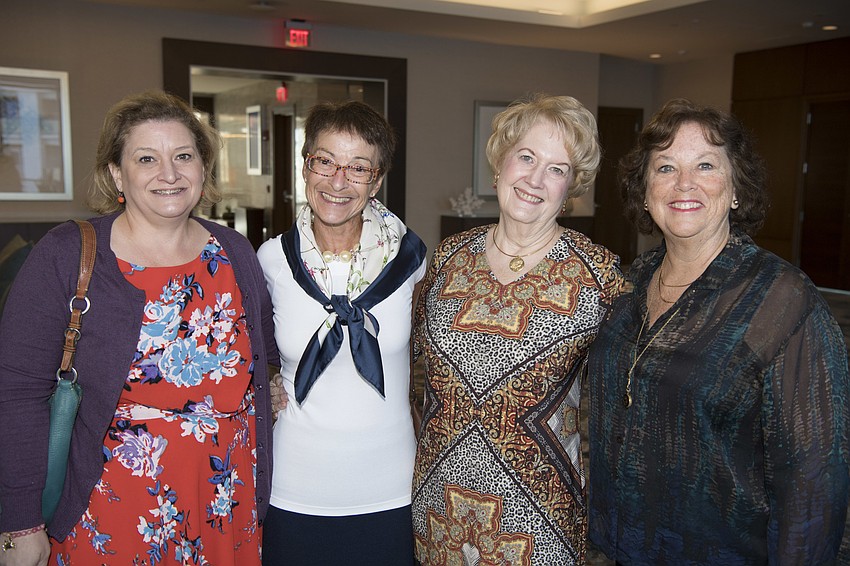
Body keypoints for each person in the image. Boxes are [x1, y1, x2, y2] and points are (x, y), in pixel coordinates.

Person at [0, 90, 278, 565]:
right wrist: (19, 524)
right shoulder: (67, 255)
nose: (169, 174)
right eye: (147, 158)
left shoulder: (234, 252)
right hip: (111, 515)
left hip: (225, 506)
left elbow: (264, 357)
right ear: (116, 174)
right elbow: (16, 394)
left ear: (203, 169)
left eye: (183, 156)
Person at [587, 98, 850, 564]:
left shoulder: (783, 300)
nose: (684, 183)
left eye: (705, 165)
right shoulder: (628, 286)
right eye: (665, 167)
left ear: (735, 190)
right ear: (645, 191)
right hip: (626, 548)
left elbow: (814, 477)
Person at [411, 93, 625, 565]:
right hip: (437, 508)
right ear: (500, 163)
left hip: (539, 519)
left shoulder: (598, 276)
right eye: (526, 157)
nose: (535, 178)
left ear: (571, 187)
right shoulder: (449, 256)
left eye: (557, 168)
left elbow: (633, 399)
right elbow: (407, 366)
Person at [257, 100, 428, 565]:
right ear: (305, 164)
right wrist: (265, 388)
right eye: (325, 161)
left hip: (391, 485)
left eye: (357, 167)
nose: (337, 181)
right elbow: (244, 351)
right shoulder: (269, 261)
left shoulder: (412, 261)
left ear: (376, 180)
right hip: (294, 486)